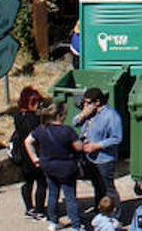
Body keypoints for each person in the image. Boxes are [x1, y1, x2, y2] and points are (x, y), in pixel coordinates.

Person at [25, 101, 84, 231]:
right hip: (66, 168)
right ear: (60, 115)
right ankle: (75, 225)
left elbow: (28, 141)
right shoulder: (68, 131)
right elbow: (78, 147)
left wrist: (35, 158)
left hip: (48, 167)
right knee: (70, 198)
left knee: (52, 195)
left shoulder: (41, 129)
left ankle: (53, 222)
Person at [74, 87, 124, 213]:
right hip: (90, 158)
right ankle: (100, 209)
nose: (85, 105)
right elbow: (75, 123)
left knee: (108, 189)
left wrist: (96, 145)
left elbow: (116, 138)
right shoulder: (88, 112)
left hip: (104, 159)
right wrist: (83, 114)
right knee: (97, 186)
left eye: (88, 102)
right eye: (84, 102)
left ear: (97, 102)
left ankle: (115, 214)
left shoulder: (111, 116)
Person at [11, 86, 47, 219]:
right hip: (35, 154)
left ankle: (29, 207)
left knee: (28, 182)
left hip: (22, 154)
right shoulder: (35, 119)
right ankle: (39, 209)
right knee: (42, 183)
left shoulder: (18, 116)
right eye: (37, 102)